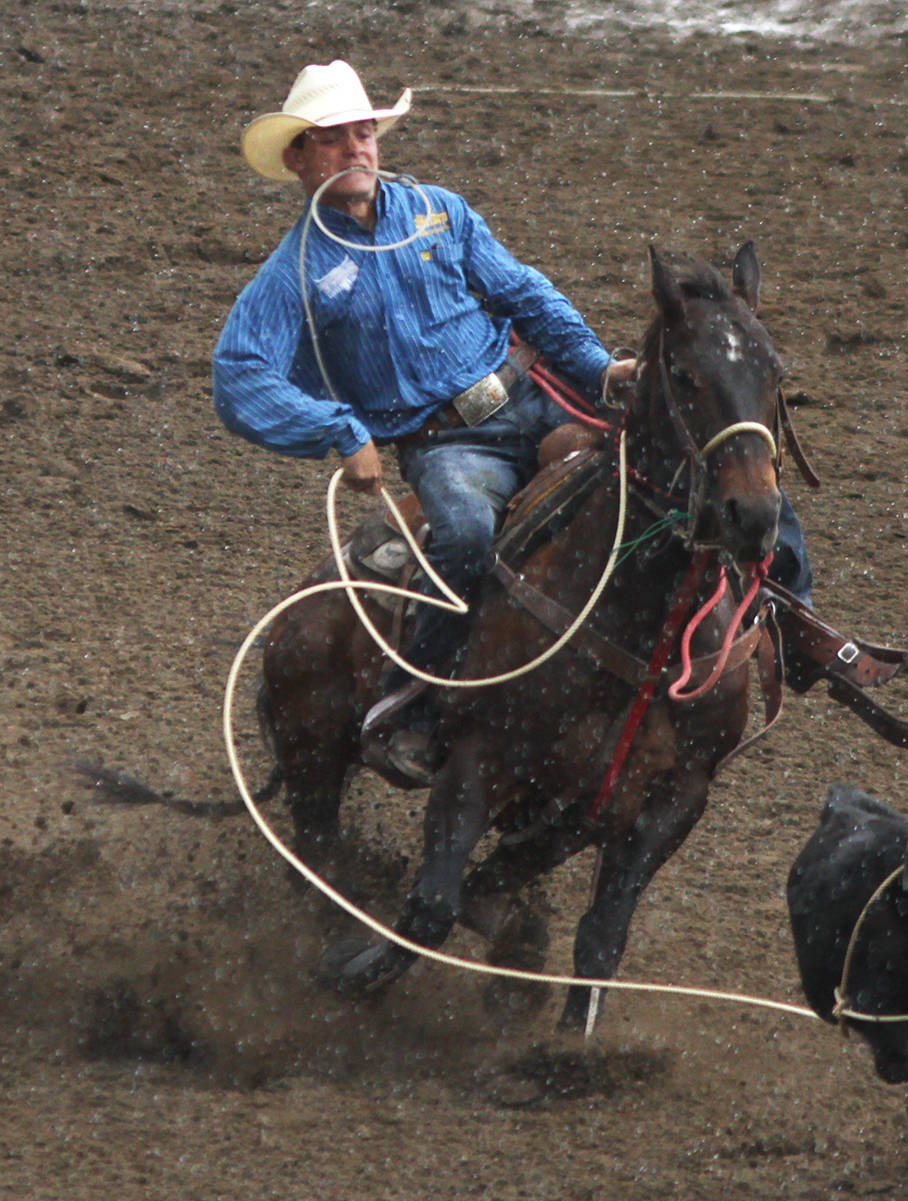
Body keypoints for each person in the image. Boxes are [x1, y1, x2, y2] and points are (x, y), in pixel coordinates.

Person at [213, 59, 635, 785]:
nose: (357, 148)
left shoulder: (442, 210)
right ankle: (411, 702)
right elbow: (239, 377)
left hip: (534, 390)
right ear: (299, 157)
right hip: (447, 444)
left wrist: (598, 369)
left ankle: (781, 614)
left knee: (669, 455)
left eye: (365, 132)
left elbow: (524, 293)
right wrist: (341, 431)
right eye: (336, 137)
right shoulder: (295, 273)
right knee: (466, 535)